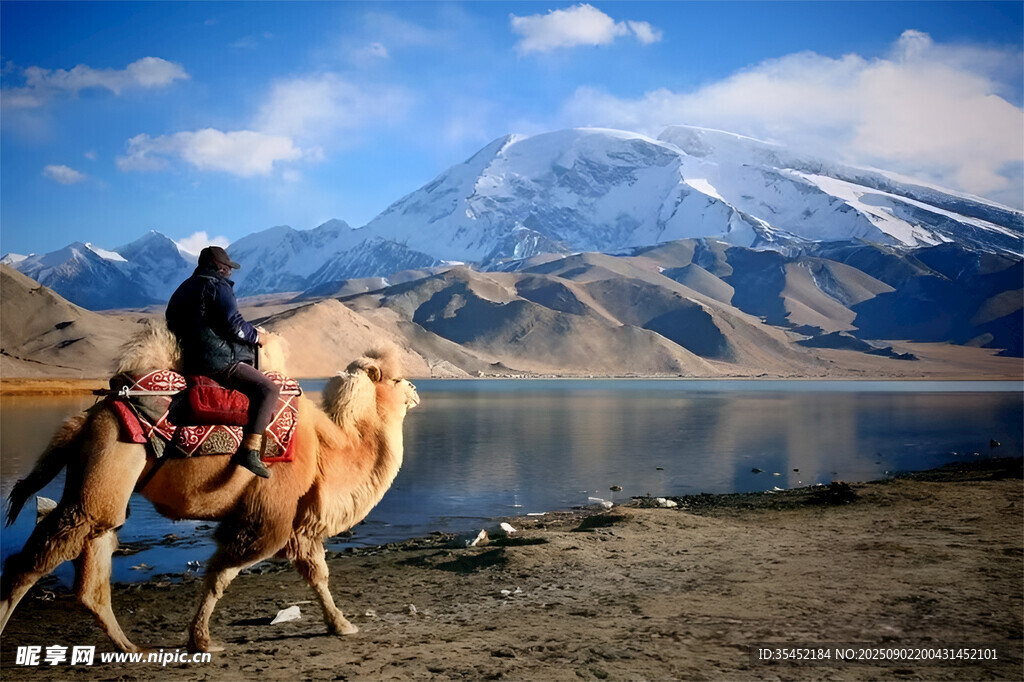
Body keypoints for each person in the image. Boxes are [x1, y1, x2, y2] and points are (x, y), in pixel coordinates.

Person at [166, 246, 279, 478]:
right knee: (269, 388)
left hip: (189, 360)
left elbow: (172, 321)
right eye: (227, 267)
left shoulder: (182, 289)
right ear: (218, 267)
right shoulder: (218, 286)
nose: (229, 271)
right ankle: (250, 450)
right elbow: (235, 325)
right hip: (219, 362)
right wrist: (259, 337)